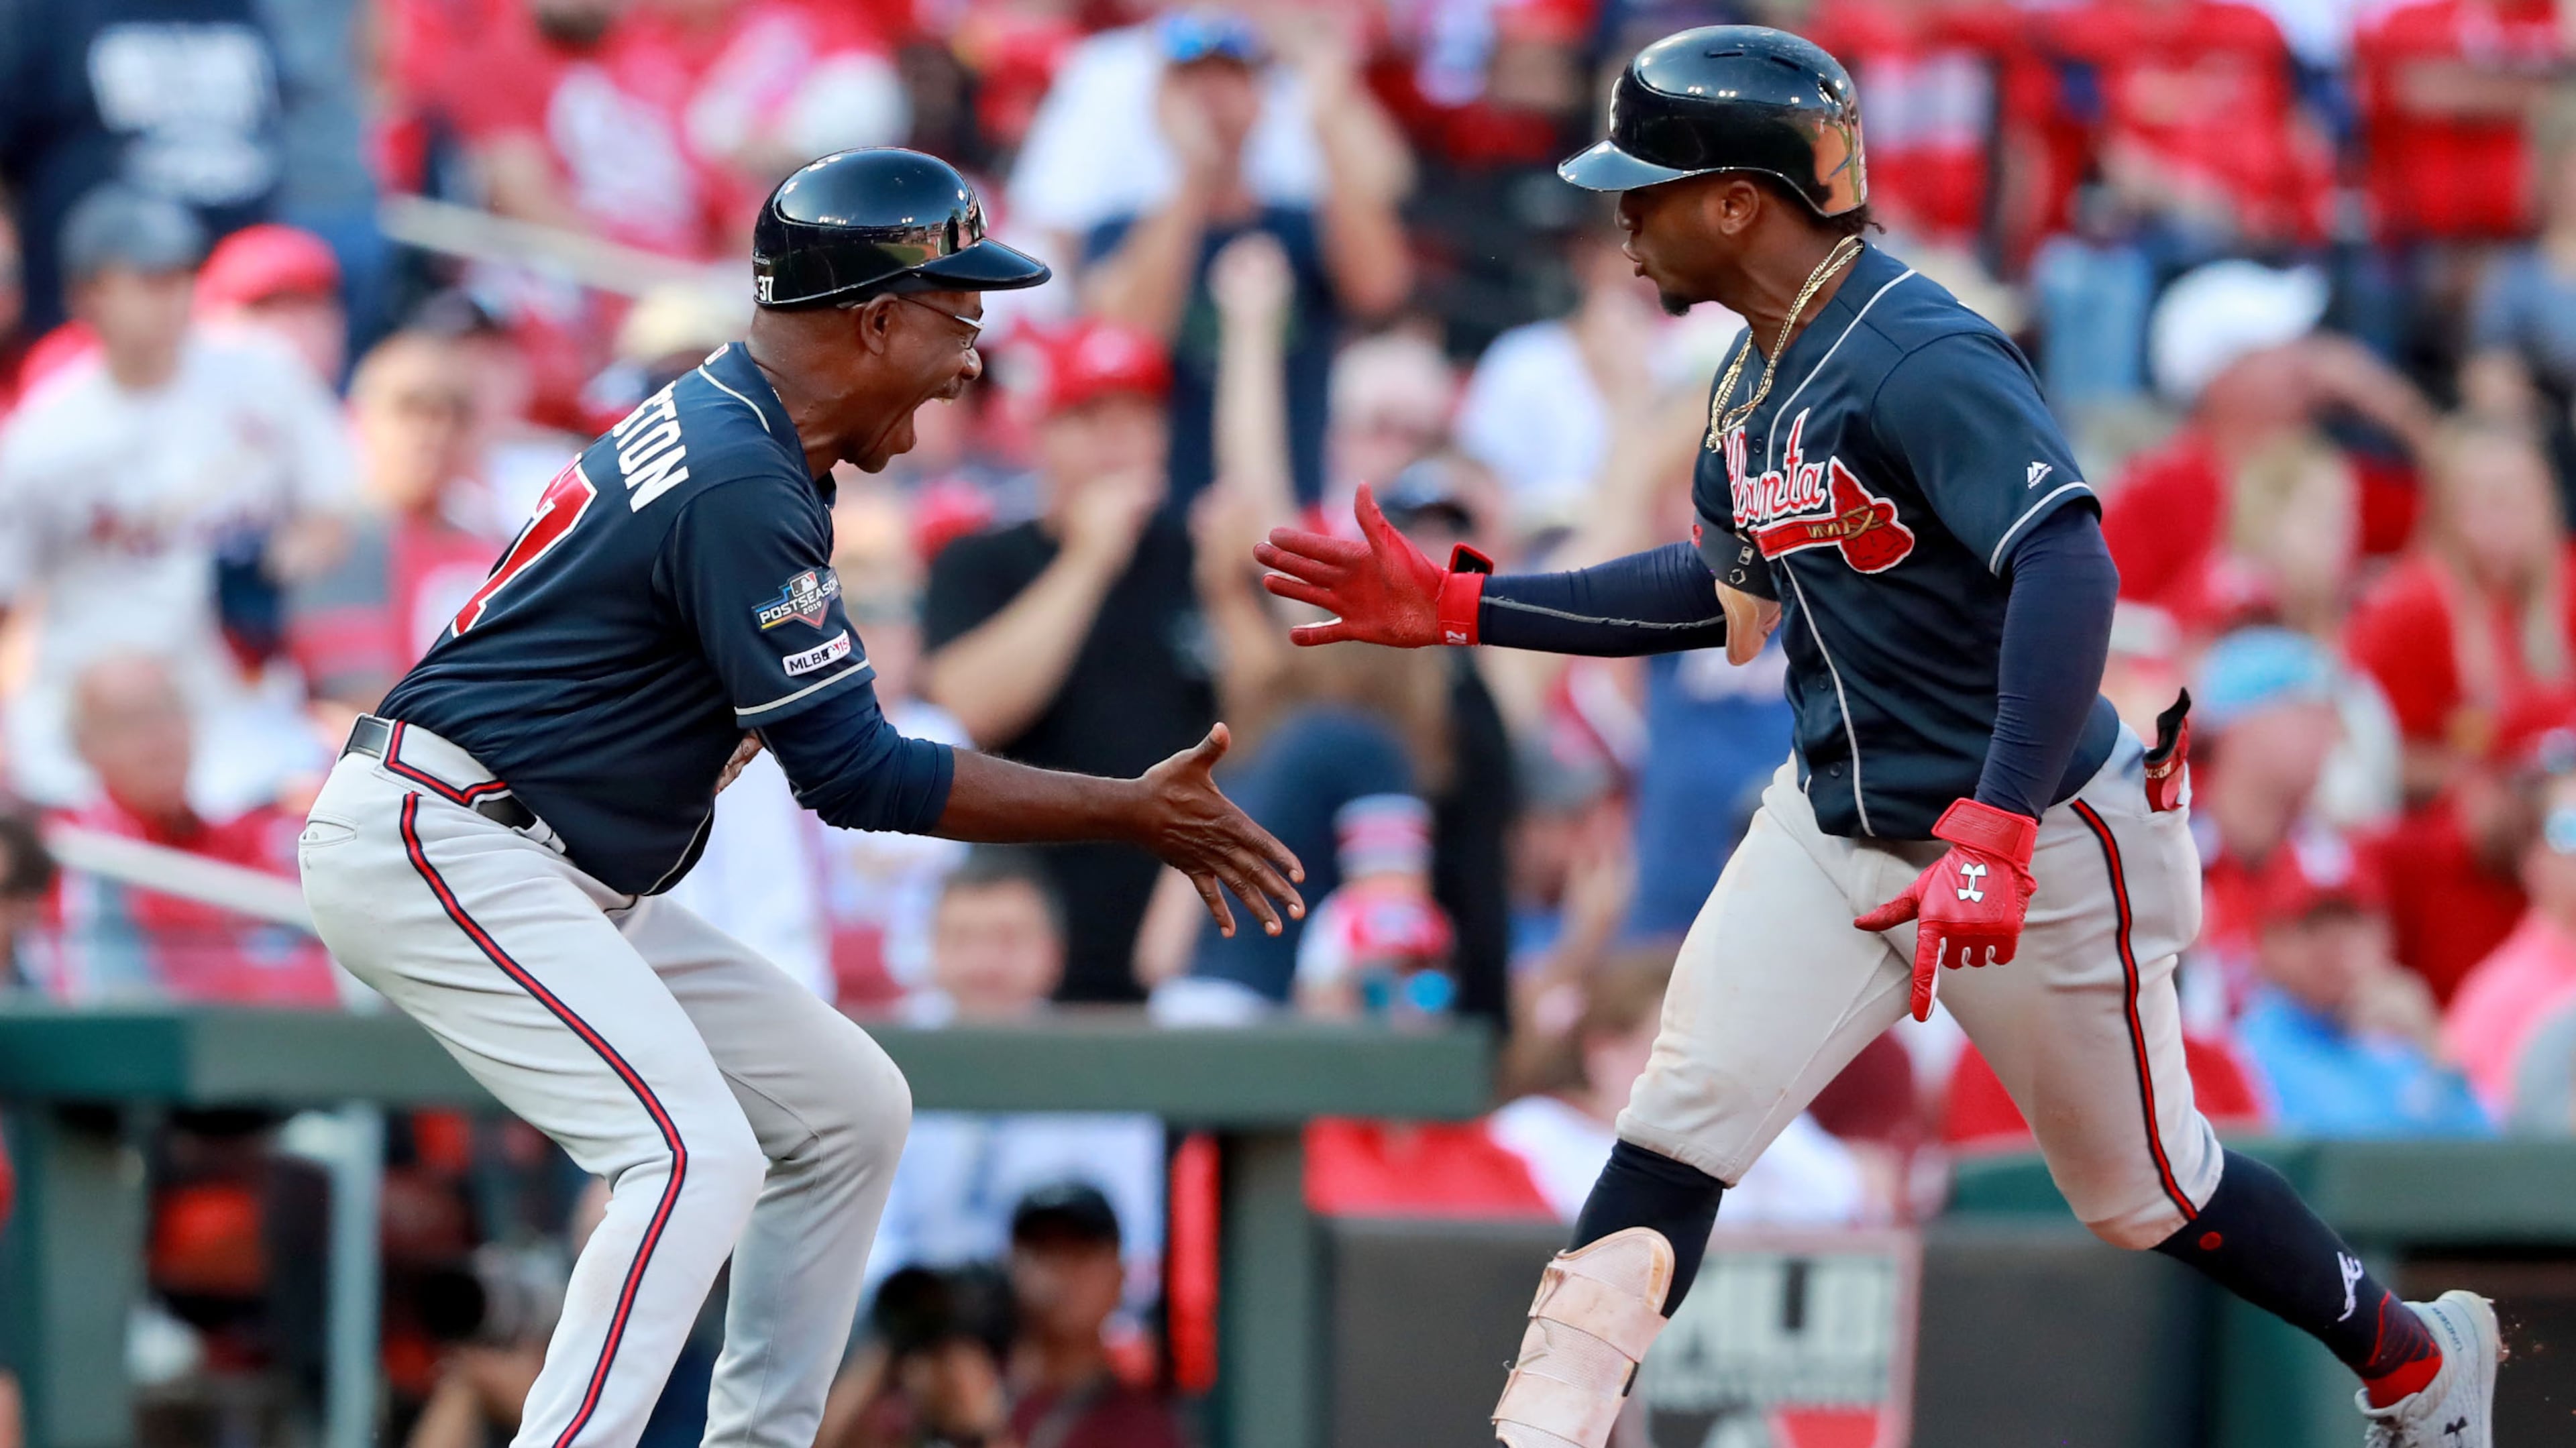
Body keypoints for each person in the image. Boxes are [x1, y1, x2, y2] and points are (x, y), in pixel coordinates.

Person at [1254, 31, 2500, 1447]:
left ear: (1738, 200)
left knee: (2144, 1186)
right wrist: (1476, 603)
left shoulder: (1919, 348)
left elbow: (2068, 565)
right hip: (1837, 819)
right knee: (1682, 1114)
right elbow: (1721, 592)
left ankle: (2415, 1356)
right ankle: (1546, 1424)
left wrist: (2000, 821)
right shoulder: (1749, 372)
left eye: (1644, 185)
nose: (1618, 216)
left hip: (2041, 826)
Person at [294, 150, 1301, 1448]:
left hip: (544, 853)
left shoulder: (747, 433)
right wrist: (1131, 808)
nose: (971, 361)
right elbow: (858, 772)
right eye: (958, 316)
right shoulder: (740, 473)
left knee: (849, 1105)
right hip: (447, 836)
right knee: (689, 1153)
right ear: (873, 319)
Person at [0, 185, 356, 817]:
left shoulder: (263, 373)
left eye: (181, 274)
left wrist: (289, 558)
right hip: (98, 716)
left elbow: (335, 503)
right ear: (89, 296)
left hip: (241, 697)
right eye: (147, 278)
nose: (172, 296)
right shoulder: (47, 433)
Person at [921, 319, 1216, 1003]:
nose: (1118, 442)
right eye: (1090, 417)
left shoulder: (1196, 558)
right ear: (1043, 433)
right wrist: (1089, 558)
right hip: (1027, 943)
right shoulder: (983, 559)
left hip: (1171, 945)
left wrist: (1232, 589)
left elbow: (1261, 722)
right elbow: (971, 704)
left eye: (1139, 417)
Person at [1079, 6, 1412, 505]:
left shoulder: (1302, 228)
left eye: (1231, 79)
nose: (1211, 97)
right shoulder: (1117, 229)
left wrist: (1327, 127)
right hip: (1159, 512)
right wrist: (1194, 175)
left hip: (1291, 501)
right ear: (1160, 102)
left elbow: (1382, 289)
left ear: (1261, 97)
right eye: (1190, 81)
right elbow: (1127, 337)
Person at [869, 849, 1165, 1315]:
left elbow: (1137, 1249)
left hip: (1059, 1334)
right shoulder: (876, 1060)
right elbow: (861, 1242)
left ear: (1054, 953)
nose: (985, 964)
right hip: (910, 1327)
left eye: (1008, 940)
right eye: (962, 939)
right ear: (930, 949)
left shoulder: (1101, 1064)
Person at [38, 655, 338, 1005]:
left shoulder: (252, 839)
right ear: (85, 747)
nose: (156, 737)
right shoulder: (74, 854)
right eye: (128, 722)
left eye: (168, 713)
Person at [2231, 833, 2491, 1138]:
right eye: (2312, 925)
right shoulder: (2246, 1057)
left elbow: (2484, 1155)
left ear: (2384, 934)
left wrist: (2435, 1048)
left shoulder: (2402, 1046)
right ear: (2268, 942)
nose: (2334, 945)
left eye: (2350, 922)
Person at [1001, 1184, 1188, 1448]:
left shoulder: (1144, 1429)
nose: (1062, 1272)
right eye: (1045, 1251)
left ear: (1120, 1276)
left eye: (1082, 1254)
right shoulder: (961, 1391)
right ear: (1010, 1268)